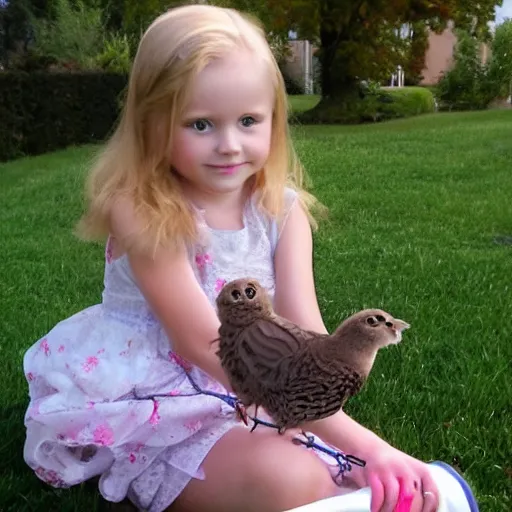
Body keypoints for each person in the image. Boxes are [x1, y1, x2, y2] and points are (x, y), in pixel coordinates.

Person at [22, 5, 443, 512]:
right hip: (161, 397)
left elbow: (310, 339)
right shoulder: (142, 208)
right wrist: (369, 444)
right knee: (288, 479)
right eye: (200, 124)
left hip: (257, 387)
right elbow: (205, 345)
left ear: (274, 119)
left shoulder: (283, 212)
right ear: (151, 122)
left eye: (248, 121)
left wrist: (357, 441)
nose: (228, 145)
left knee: (339, 472)